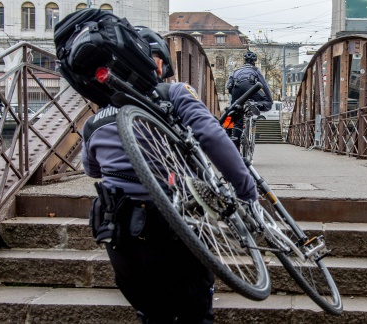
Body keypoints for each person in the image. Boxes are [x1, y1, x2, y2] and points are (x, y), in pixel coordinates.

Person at [81, 26, 261, 324]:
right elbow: (213, 138)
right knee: (195, 313)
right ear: (159, 64)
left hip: (119, 231)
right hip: (173, 225)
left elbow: (92, 169)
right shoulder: (173, 94)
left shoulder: (94, 121)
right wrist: (246, 189)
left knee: (151, 314)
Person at [225, 51, 274, 150]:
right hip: (250, 88)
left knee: (235, 115)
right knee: (267, 103)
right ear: (254, 61)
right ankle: (256, 104)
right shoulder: (255, 70)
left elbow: (228, 85)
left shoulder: (235, 71)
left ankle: (233, 142)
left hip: (236, 89)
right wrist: (269, 100)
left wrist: (235, 98)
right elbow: (264, 85)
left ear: (244, 61)